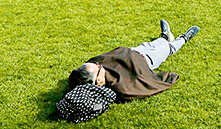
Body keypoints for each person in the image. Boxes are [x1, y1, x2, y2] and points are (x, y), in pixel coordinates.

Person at [57, 20, 200, 123]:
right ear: (99, 81)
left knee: (151, 44)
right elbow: (141, 83)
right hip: (147, 60)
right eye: (98, 67)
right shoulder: (119, 86)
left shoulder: (85, 73)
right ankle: (184, 38)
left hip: (134, 51)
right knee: (166, 49)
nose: (99, 64)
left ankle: (164, 36)